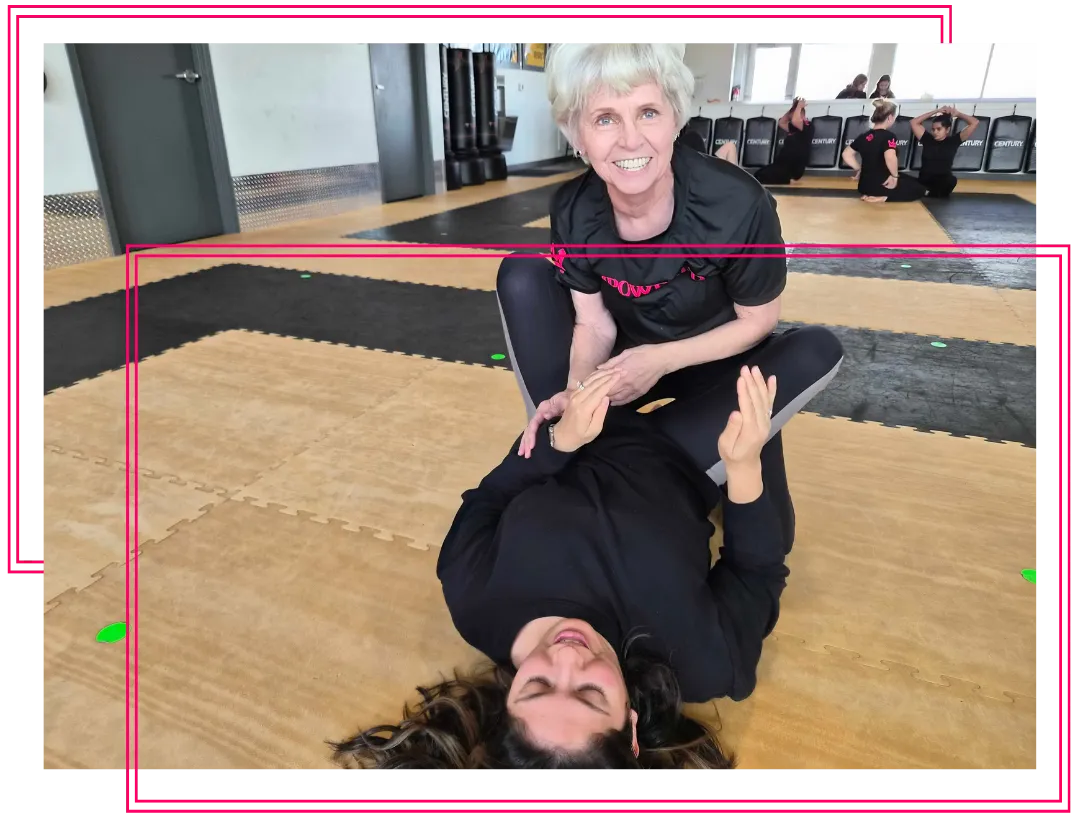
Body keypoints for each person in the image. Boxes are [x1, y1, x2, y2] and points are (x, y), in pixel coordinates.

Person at [332, 366, 798, 774]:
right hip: (688, 455)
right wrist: (743, 468)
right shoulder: (702, 664)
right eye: (591, 695)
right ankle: (674, 354)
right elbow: (756, 570)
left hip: (580, 404)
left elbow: (490, 498)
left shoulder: (475, 597)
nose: (569, 658)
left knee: (525, 277)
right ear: (631, 728)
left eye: (538, 685)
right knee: (806, 354)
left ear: (505, 702)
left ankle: (658, 344)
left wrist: (561, 440)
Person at [495, 40, 845, 494]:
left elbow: (757, 319)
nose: (629, 139)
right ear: (577, 134)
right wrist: (579, 391)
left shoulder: (737, 203)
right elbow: (594, 323)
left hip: (716, 356)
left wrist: (660, 360)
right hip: (623, 358)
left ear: (675, 117)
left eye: (647, 112)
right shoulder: (573, 210)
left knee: (814, 351)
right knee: (521, 274)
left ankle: (634, 454)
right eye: (605, 118)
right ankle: (614, 444)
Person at [842, 98, 927, 203]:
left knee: (909, 179)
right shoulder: (889, 136)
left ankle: (872, 194)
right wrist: (894, 176)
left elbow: (846, 154)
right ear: (890, 117)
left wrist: (860, 169)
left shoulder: (864, 136)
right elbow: (890, 157)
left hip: (864, 186)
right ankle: (884, 197)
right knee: (920, 190)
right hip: (882, 185)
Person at [715, 97, 813, 185]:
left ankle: (741, 183)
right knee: (759, 174)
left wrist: (799, 106)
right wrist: (793, 107)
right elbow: (782, 122)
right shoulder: (793, 128)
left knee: (762, 177)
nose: (791, 119)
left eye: (793, 115)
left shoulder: (808, 126)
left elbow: (796, 120)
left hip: (792, 168)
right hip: (781, 165)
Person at [910, 105, 980, 198]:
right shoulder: (927, 139)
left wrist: (958, 114)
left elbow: (974, 122)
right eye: (933, 129)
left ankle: (927, 192)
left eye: (939, 129)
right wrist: (936, 111)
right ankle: (926, 192)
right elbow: (914, 122)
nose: (935, 132)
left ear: (947, 129)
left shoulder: (954, 141)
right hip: (924, 181)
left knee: (952, 180)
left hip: (942, 181)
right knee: (901, 177)